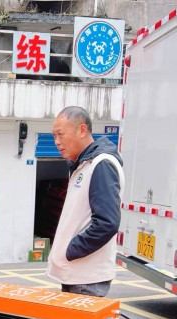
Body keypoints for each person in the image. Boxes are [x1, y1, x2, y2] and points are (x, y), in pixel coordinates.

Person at [47, 106, 123, 297]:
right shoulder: (82, 164)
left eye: (60, 134)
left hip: (86, 278)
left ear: (82, 130)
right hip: (76, 274)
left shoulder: (101, 164)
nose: (57, 142)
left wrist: (70, 250)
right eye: (54, 136)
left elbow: (106, 223)